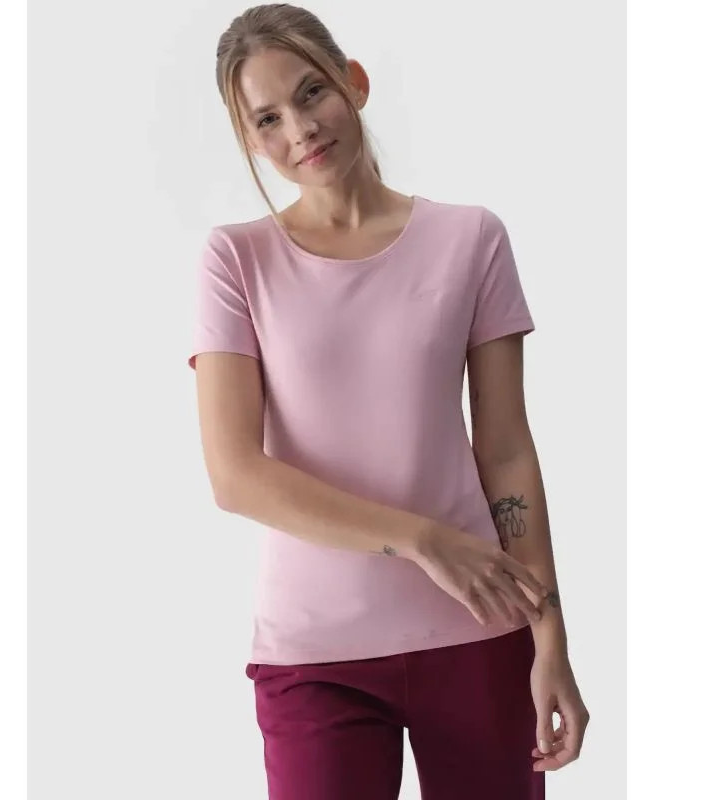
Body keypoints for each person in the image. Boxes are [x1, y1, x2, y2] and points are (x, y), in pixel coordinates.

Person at [188, 4, 590, 798]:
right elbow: (235, 475)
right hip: (315, 655)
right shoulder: (236, 260)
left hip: (480, 631)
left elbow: (506, 450)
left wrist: (550, 636)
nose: (301, 128)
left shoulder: (470, 239)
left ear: (355, 82)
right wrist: (421, 541)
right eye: (268, 118)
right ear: (249, 140)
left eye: (312, 92)